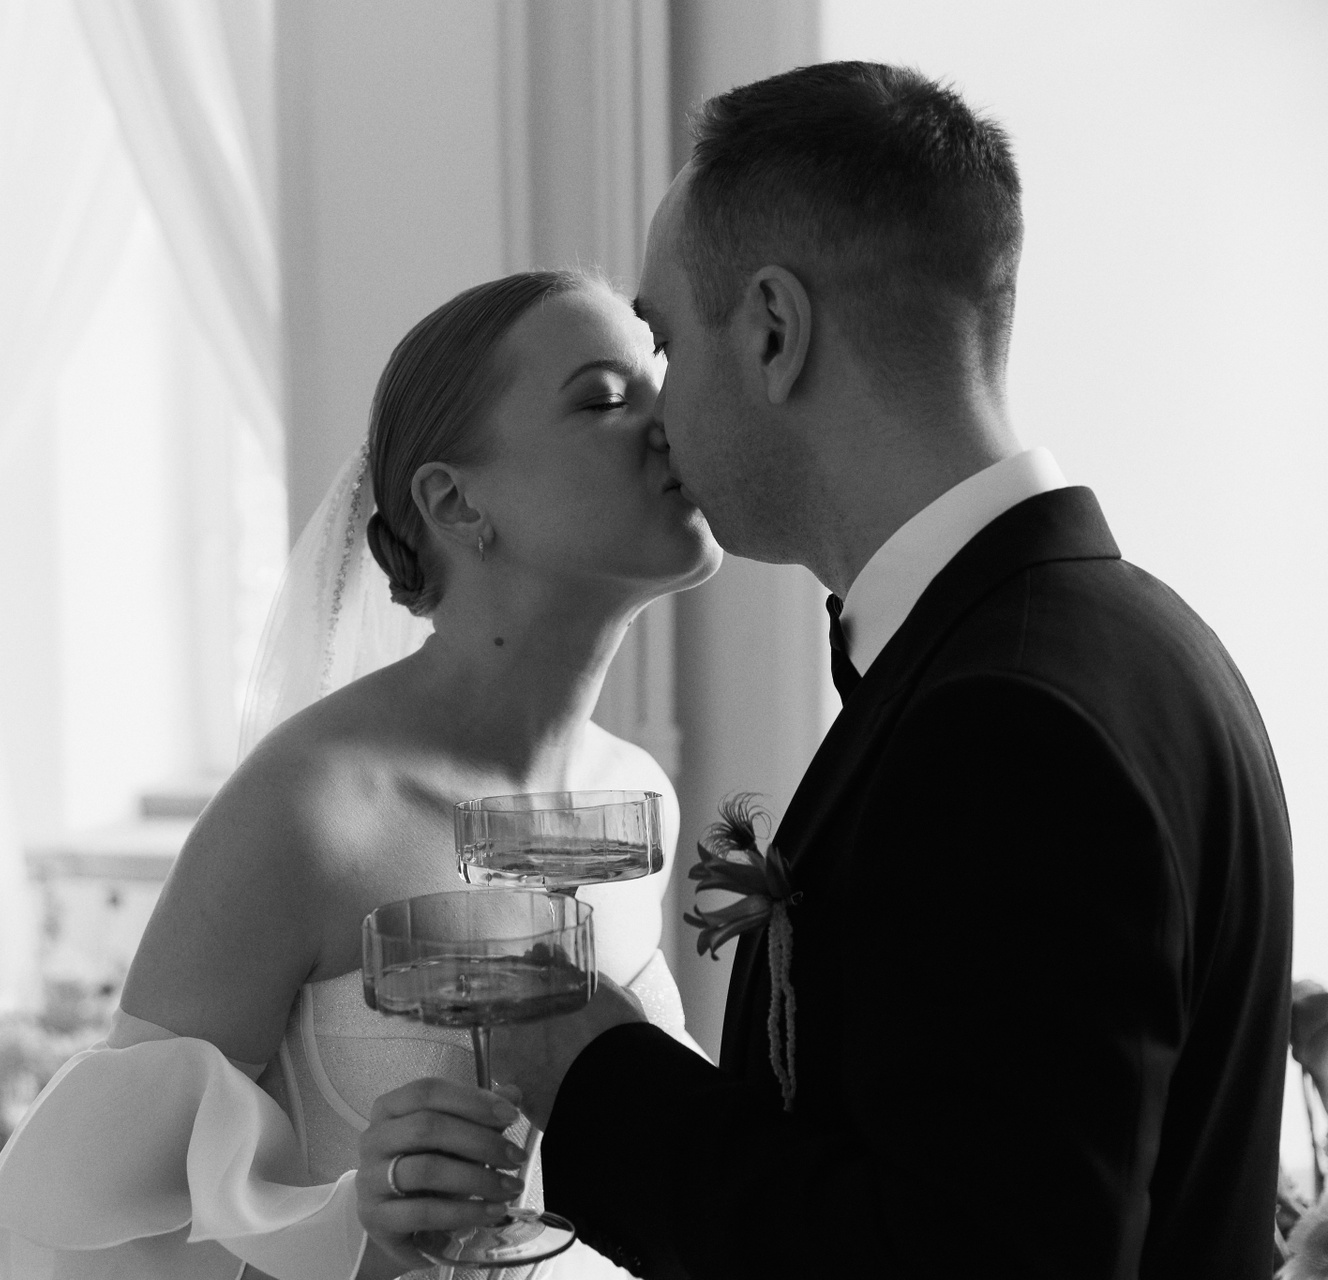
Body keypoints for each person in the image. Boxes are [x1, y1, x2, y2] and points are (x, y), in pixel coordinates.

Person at [357, 61, 1294, 1279]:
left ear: (773, 330)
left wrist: (595, 1077)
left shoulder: (1008, 726)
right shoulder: (1134, 641)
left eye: (665, 342)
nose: (659, 413)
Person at [0, 268, 722, 1279]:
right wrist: (363, 1235)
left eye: (662, 382)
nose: (671, 423)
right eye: (607, 399)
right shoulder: (308, 812)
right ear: (456, 501)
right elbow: (104, 1247)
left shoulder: (638, 800)